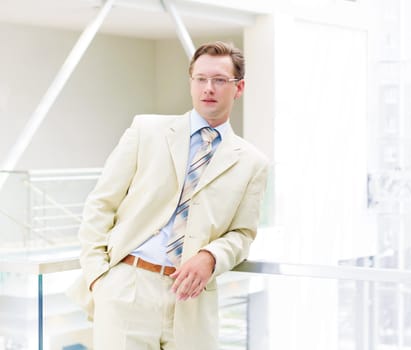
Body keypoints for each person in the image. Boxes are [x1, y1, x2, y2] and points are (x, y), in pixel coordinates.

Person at [67, 41, 269, 350]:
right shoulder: (146, 130)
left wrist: (211, 256)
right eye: (200, 78)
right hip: (128, 291)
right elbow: (101, 203)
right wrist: (99, 278)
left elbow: (242, 233)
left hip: (192, 300)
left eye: (219, 80)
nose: (208, 88)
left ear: (238, 88)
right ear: (191, 82)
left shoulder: (252, 162)